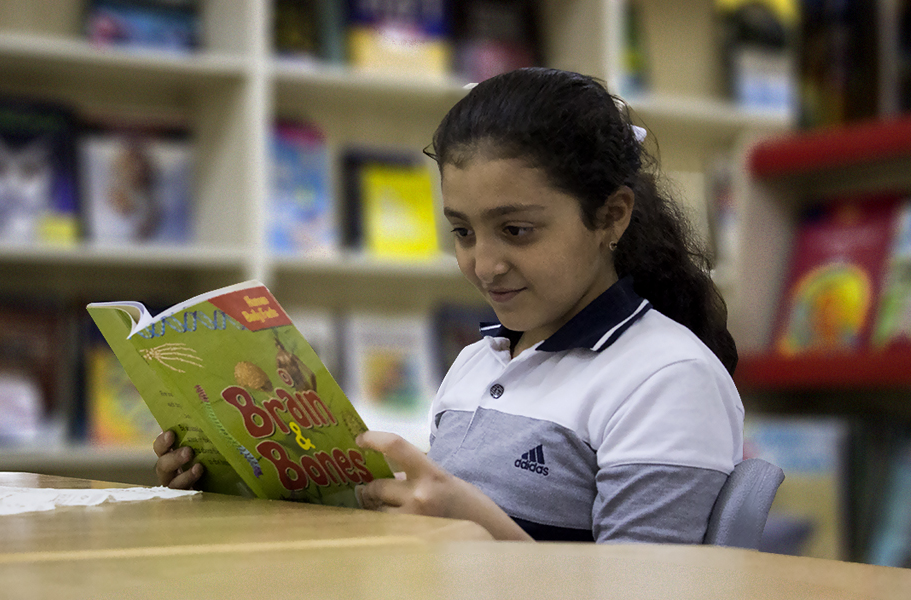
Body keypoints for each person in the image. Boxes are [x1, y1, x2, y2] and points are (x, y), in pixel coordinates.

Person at [154, 67, 744, 543]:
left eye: (516, 231)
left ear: (611, 216)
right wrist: (233, 479)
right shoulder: (477, 362)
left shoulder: (669, 378)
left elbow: (645, 587)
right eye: (462, 232)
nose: (484, 265)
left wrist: (473, 526)